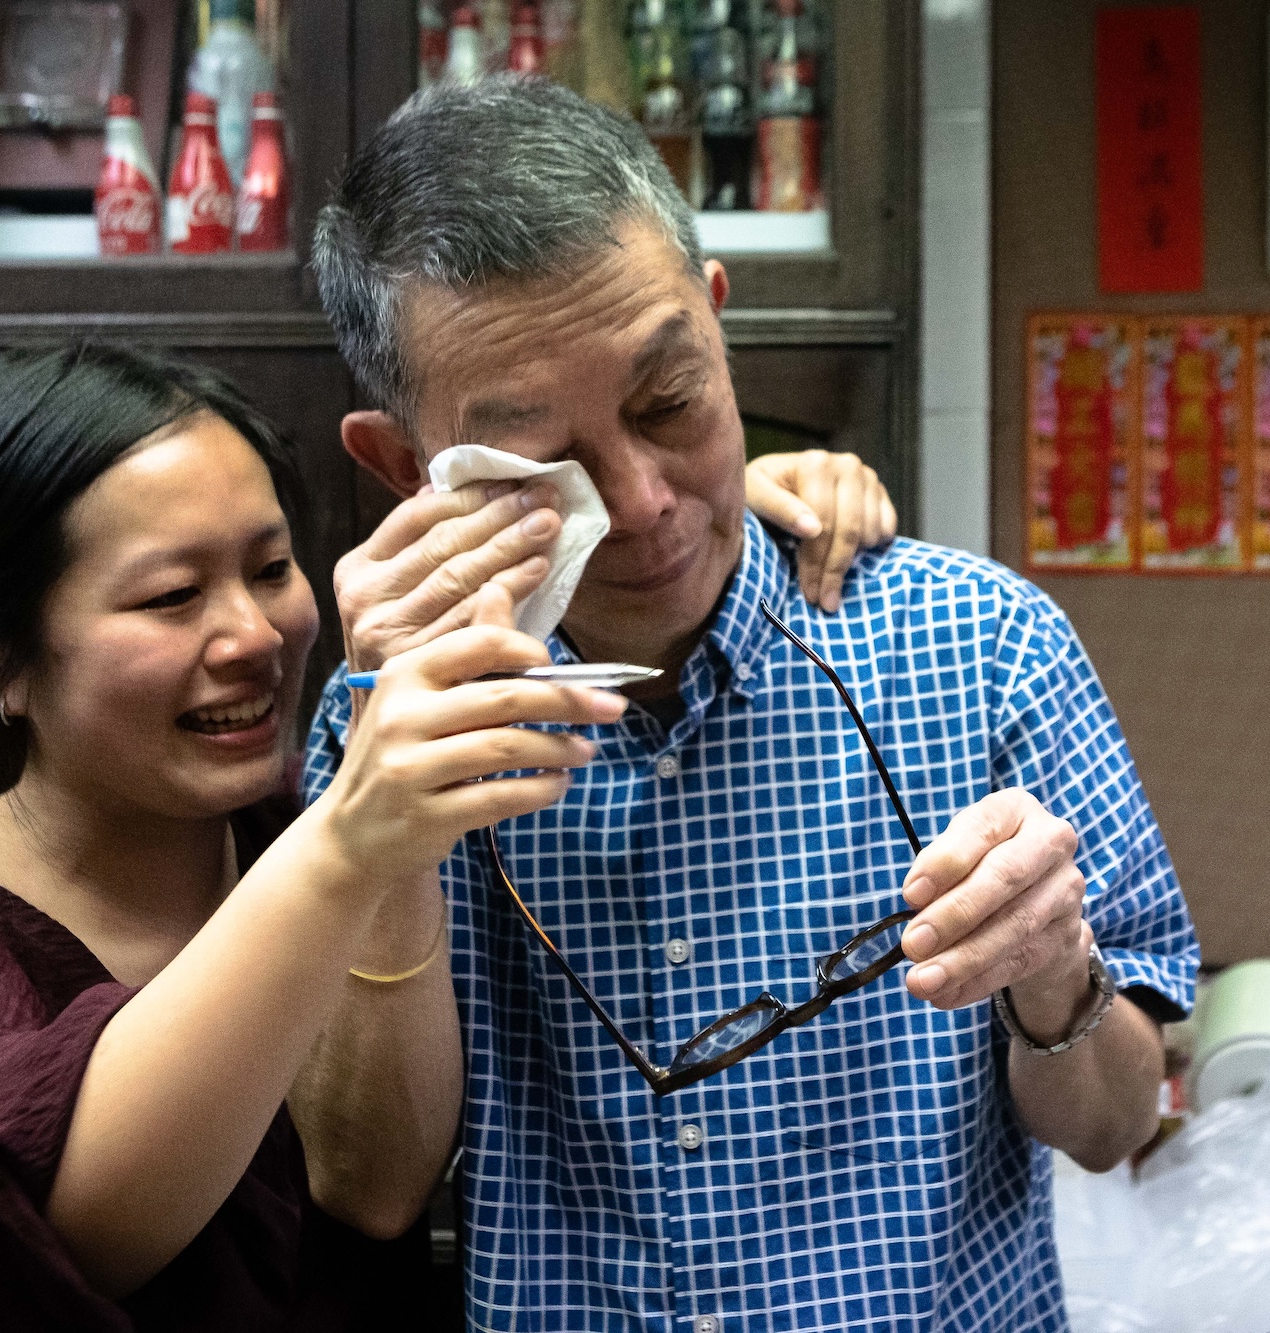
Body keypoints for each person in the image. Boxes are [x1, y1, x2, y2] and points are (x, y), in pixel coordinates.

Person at [0, 340, 895, 1330]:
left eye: (271, 568)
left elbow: (375, 1188)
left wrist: (683, 518)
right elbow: (67, 1227)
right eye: (171, 597)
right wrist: (349, 841)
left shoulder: (331, 829)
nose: (255, 636)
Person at [296, 77, 1201, 1331]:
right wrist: (379, 817)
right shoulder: (387, 727)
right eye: (540, 464)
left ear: (719, 328)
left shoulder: (980, 645)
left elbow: (1113, 1127)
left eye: (669, 405)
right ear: (408, 468)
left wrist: (1052, 971)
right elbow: (368, 1186)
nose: (642, 501)